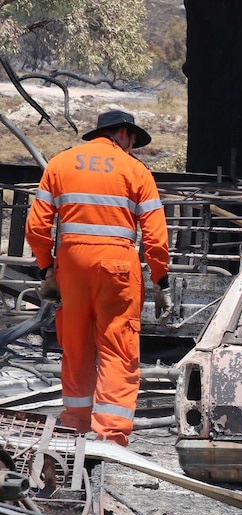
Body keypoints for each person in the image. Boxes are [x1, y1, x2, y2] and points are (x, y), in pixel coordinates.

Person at [25, 110, 174, 446]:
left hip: (72, 268)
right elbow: (155, 236)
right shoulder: (135, 170)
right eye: (132, 140)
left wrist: (45, 268)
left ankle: (75, 426)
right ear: (122, 133)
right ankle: (110, 434)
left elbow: (37, 226)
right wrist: (159, 280)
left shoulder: (60, 164)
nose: (132, 147)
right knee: (118, 348)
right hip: (118, 269)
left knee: (75, 346)